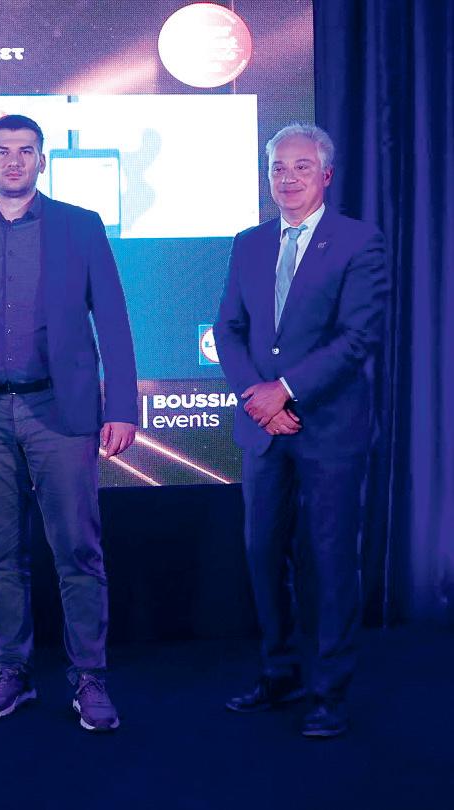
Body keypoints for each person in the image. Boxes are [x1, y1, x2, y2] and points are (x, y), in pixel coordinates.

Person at [0, 114, 138, 731]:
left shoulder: (81, 225)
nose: (14, 161)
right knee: (0, 553)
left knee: (77, 548)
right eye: (3, 151)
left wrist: (121, 407)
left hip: (61, 409)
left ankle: (89, 677)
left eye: (26, 151)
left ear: (42, 161)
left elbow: (113, 318)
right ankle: (12, 671)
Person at [214, 123, 388, 738]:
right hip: (265, 430)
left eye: (301, 167)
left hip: (330, 428)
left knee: (331, 558)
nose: (288, 178)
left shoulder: (359, 242)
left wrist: (284, 390)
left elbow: (358, 336)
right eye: (278, 168)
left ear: (326, 175)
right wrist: (258, 399)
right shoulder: (249, 243)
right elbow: (229, 329)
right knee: (263, 553)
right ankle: (279, 672)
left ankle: (329, 692)